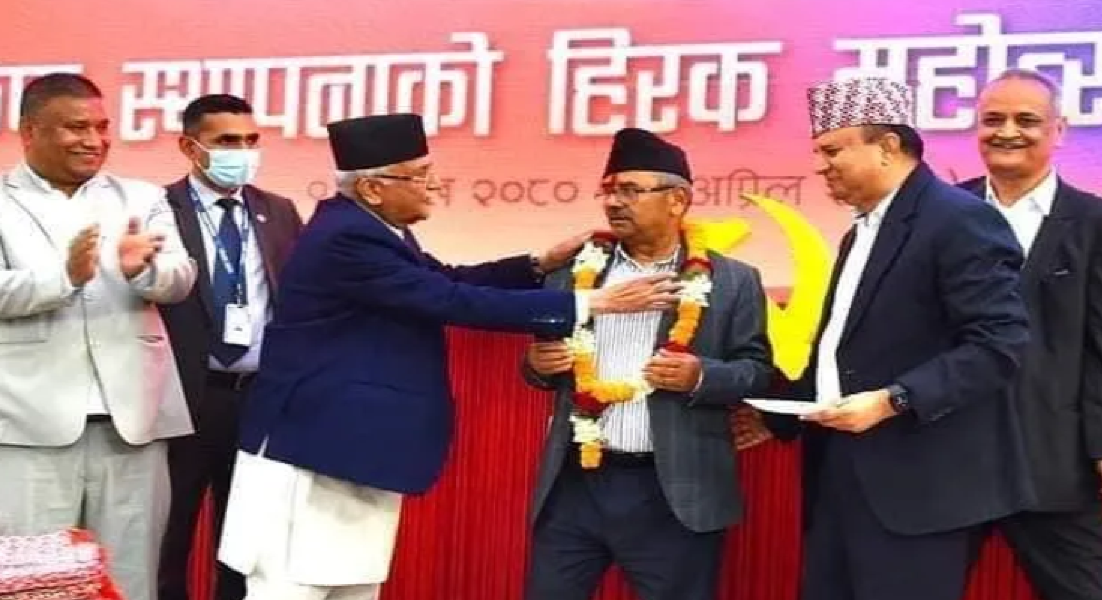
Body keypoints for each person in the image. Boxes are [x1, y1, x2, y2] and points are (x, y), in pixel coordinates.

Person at [217, 113, 681, 600]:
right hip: (311, 450)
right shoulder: (347, 237)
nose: (435, 185)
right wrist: (591, 303)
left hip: (352, 449)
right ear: (373, 188)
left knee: (349, 588)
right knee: (293, 589)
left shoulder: (376, 228)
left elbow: (447, 280)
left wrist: (538, 263)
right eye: (419, 176)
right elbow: (450, 301)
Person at [770, 76, 1034, 600]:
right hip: (841, 474)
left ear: (887, 146)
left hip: (918, 489)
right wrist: (772, 413)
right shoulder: (860, 231)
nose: (821, 165)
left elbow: (998, 343)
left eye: (832, 150)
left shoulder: (960, 219)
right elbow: (845, 352)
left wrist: (895, 400)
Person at [520, 127, 774, 600]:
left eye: (632, 190)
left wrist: (701, 376)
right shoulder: (572, 273)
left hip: (675, 489)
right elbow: (541, 367)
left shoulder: (733, 281)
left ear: (677, 200)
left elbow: (757, 371)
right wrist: (536, 365)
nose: (615, 202)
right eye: (609, 190)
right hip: (578, 483)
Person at [0, 73, 197, 600]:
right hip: (25, 423)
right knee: (34, 579)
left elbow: (181, 277)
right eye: (76, 127)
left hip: (131, 421)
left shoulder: (142, 197)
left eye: (102, 127)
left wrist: (143, 271)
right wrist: (63, 278)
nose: (94, 140)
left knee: (130, 574)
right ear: (30, 131)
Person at [958, 68, 1102, 600]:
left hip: (1053, 461)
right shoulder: (938, 214)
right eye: (993, 119)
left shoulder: (1093, 222)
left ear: (1059, 130)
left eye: (1027, 120)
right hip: (949, 461)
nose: (1007, 132)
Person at [158, 94, 303, 600]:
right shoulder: (158, 208)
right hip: (183, 399)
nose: (242, 152)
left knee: (243, 544)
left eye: (250, 140)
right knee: (167, 538)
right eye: (226, 141)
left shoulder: (279, 212)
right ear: (189, 147)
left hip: (258, 398)